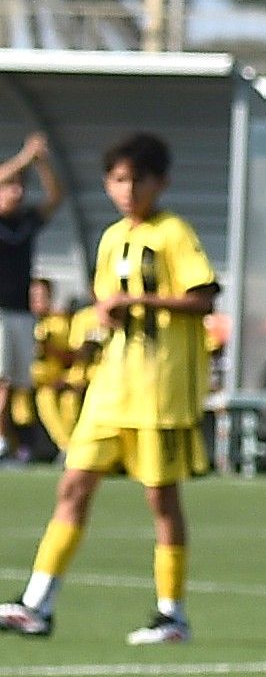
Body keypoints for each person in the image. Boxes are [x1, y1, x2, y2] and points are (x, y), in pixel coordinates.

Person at [2, 132, 218, 645]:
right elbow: (108, 304)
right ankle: (37, 604)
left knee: (161, 499)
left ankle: (172, 614)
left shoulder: (173, 234)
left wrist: (140, 304)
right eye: (118, 180)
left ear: (161, 183)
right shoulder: (111, 238)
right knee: (73, 486)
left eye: (137, 180)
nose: (127, 190)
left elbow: (203, 298)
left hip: (158, 391)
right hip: (110, 388)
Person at [0, 133, 63, 463]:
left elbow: (56, 197)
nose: (17, 192)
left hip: (21, 312)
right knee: (1, 382)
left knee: (15, 384)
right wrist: (25, 156)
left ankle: (9, 443)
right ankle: (3, 442)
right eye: (10, 186)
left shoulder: (25, 221)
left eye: (20, 187)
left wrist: (42, 162)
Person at [26, 280, 86, 457]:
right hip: (28, 384)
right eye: (33, 296)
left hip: (56, 380)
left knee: (66, 400)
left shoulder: (60, 323)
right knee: (41, 398)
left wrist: (48, 349)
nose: (37, 301)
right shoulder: (24, 322)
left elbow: (72, 357)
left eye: (41, 296)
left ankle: (68, 449)